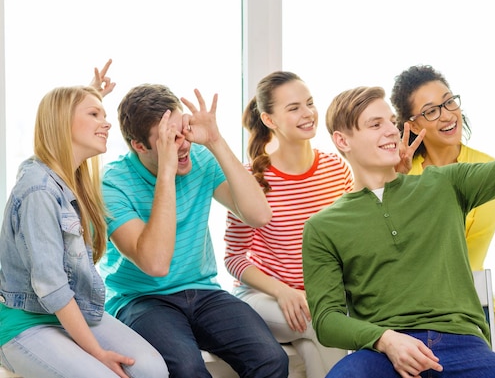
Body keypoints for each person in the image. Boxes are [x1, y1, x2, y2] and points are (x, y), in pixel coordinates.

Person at [302, 85, 495, 378]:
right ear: (343, 141)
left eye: (392, 121)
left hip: (462, 346)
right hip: (381, 353)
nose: (390, 131)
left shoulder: (442, 184)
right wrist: (385, 339)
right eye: (375, 124)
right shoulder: (323, 226)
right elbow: (327, 320)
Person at [97, 83, 289, 378]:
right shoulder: (112, 183)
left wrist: (215, 141)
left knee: (271, 359)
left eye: (183, 131)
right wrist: (167, 172)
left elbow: (259, 215)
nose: (184, 144)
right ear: (140, 146)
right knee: (187, 368)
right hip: (140, 299)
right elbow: (155, 264)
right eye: (169, 139)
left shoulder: (200, 158)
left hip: (204, 290)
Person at [0, 77, 168, 377]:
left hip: (72, 310)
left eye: (103, 115)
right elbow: (52, 289)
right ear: (63, 122)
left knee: (153, 370)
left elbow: (65, 119)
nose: (106, 123)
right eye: (94, 114)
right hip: (26, 320)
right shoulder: (38, 190)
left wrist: (90, 98)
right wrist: (97, 353)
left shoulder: (69, 180)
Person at [224, 71, 354, 378]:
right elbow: (234, 258)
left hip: (317, 299)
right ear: (269, 120)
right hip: (264, 298)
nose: (308, 113)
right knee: (321, 322)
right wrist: (283, 291)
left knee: (311, 344)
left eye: (309, 103)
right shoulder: (250, 180)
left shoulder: (337, 169)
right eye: (294, 108)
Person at [389, 65, 495, 275]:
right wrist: (392, 182)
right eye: (431, 111)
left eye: (449, 102)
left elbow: (468, 255)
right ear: (412, 126)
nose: (447, 115)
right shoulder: (401, 174)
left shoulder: (486, 169)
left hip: (469, 297)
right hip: (409, 300)